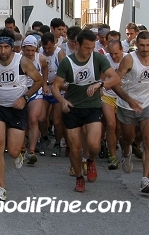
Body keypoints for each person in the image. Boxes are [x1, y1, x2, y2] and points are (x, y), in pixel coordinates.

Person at [0, 29, 43, 201]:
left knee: (12, 151)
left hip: (17, 107)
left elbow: (39, 80)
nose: (3, 51)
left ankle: (18, 154)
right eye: (0, 47)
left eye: (6, 47)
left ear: (12, 47)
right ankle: (2, 188)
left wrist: (26, 97)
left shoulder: (24, 62)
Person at [51, 29, 120, 193]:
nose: (90, 51)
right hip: (73, 108)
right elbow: (55, 87)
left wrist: (100, 84)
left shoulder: (98, 58)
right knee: (74, 149)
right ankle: (79, 178)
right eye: (86, 48)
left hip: (92, 106)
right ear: (77, 45)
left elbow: (116, 77)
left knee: (94, 145)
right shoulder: (67, 62)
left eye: (92, 47)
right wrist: (62, 101)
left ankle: (90, 160)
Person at [113, 31, 149, 194]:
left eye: (148, 45)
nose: (145, 49)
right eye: (142, 45)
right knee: (127, 138)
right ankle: (126, 151)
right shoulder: (129, 59)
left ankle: (145, 179)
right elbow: (115, 83)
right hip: (127, 104)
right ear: (136, 45)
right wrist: (129, 100)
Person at [21, 35, 48, 166]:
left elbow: (45, 68)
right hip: (21, 90)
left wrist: (45, 84)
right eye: (27, 50)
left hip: (36, 90)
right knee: (22, 121)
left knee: (33, 119)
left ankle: (31, 151)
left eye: (32, 50)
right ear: (23, 49)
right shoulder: (17, 58)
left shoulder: (40, 58)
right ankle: (21, 147)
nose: (30, 53)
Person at [39, 32, 66, 157]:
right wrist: (43, 83)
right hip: (43, 89)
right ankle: (44, 138)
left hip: (56, 89)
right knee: (41, 118)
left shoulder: (59, 53)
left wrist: (49, 82)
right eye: (45, 48)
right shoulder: (39, 52)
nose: (47, 50)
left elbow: (64, 74)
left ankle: (57, 144)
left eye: (49, 47)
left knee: (56, 121)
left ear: (54, 44)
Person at [101, 39, 124, 170]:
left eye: (116, 53)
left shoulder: (128, 59)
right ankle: (113, 157)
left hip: (122, 96)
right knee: (111, 125)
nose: (114, 56)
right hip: (107, 95)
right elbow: (101, 79)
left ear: (122, 50)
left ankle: (111, 145)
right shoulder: (105, 59)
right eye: (111, 54)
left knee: (119, 128)